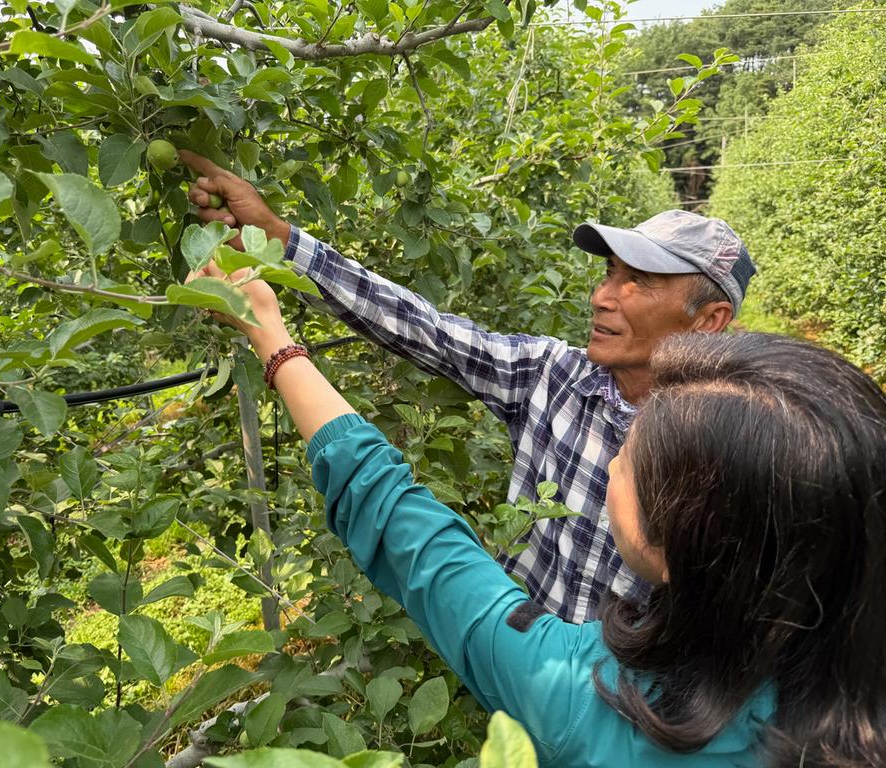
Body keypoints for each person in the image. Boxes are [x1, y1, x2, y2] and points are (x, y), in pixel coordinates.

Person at [195, 259, 886, 765]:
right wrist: (290, 245)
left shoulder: (580, 696)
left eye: (632, 460)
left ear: (687, 535)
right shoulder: (847, 660)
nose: (604, 296)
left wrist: (271, 339)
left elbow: (413, 534)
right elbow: (431, 332)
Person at [181, 150, 757, 623]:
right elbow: (424, 328)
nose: (603, 296)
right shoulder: (552, 377)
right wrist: (280, 239)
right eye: (610, 273)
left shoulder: (737, 452)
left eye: (640, 282)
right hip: (512, 671)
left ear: (708, 321)